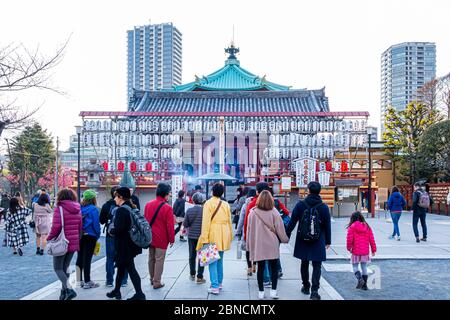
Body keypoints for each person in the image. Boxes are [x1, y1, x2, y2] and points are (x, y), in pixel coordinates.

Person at [286, 181, 331, 300]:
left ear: (309, 190)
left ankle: (306, 286)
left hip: (303, 238)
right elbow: (327, 225)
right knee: (317, 265)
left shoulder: (300, 205)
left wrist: (287, 234)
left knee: (304, 262)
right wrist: (328, 241)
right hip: (318, 239)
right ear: (319, 191)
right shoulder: (324, 207)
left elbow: (292, 221)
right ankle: (315, 292)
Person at [246, 190, 289, 299]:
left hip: (258, 244)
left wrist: (249, 247)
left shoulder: (252, 213)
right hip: (272, 244)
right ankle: (273, 291)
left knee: (260, 268)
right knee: (273, 268)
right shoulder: (274, 212)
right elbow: (280, 228)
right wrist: (285, 239)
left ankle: (261, 292)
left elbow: (249, 231)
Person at [106, 187, 146, 300]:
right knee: (121, 268)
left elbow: (120, 228)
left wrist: (112, 230)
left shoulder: (121, 210)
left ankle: (140, 294)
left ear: (121, 197)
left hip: (124, 245)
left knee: (130, 268)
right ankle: (116, 291)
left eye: (116, 196)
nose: (115, 199)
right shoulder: (130, 207)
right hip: (129, 244)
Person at [196, 182, 233, 295]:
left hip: (213, 232)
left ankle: (215, 286)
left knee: (212, 261)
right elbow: (229, 221)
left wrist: (204, 238)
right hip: (224, 232)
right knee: (220, 260)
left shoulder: (208, 203)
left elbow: (206, 222)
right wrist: (230, 235)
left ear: (212, 191)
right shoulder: (226, 204)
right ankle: (219, 283)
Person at [47, 188, 82, 300]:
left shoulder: (59, 208)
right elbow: (80, 227)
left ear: (60, 196)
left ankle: (70, 289)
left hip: (61, 242)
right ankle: (63, 293)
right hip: (73, 242)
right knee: (64, 268)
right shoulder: (78, 208)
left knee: (58, 268)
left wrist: (49, 238)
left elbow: (56, 227)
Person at [144, 182, 175, 289]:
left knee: (151, 258)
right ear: (165, 194)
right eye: (169, 193)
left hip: (150, 237)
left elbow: (146, 221)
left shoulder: (148, 204)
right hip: (161, 238)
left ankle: (152, 279)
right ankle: (157, 282)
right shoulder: (167, 208)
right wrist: (172, 239)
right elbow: (170, 225)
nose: (169, 195)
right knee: (159, 259)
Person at [100, 186, 128, 287]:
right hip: (123, 235)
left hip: (110, 235)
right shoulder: (124, 205)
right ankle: (124, 280)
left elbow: (101, 220)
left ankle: (109, 281)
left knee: (110, 258)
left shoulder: (107, 205)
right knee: (123, 257)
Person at [76, 189, 101, 289]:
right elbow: (96, 224)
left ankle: (79, 281)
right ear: (93, 198)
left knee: (80, 257)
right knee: (87, 259)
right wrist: (98, 234)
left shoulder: (79, 208)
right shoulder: (93, 209)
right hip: (90, 236)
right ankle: (87, 281)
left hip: (80, 236)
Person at [346, 211, 377, 290]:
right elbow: (371, 239)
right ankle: (365, 285)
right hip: (365, 252)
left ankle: (360, 279)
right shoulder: (367, 226)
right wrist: (373, 250)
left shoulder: (352, 227)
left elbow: (349, 239)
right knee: (364, 267)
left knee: (355, 266)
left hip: (355, 251)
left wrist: (349, 248)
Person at [183, 192, 206, 284]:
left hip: (192, 236)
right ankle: (200, 277)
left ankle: (192, 274)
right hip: (202, 236)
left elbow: (185, 224)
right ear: (202, 201)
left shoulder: (189, 211)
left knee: (192, 255)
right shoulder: (205, 210)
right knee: (202, 256)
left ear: (193, 200)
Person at [236, 188, 257, 276]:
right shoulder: (258, 202)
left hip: (247, 229)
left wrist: (238, 230)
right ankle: (255, 265)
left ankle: (249, 268)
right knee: (256, 248)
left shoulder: (245, 205)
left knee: (248, 249)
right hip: (257, 229)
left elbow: (241, 219)